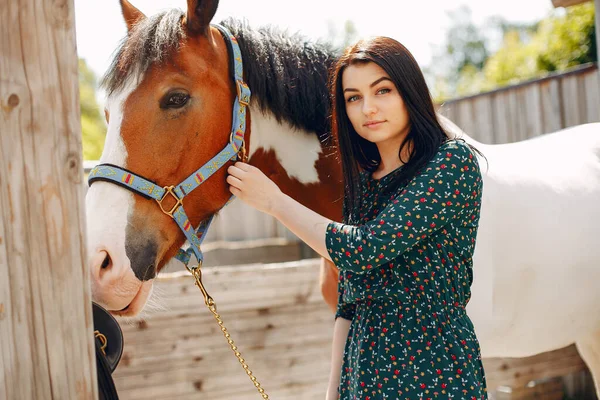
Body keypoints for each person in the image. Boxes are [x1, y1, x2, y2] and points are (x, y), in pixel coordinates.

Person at [227, 36, 487, 400]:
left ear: (409, 90)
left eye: (382, 91)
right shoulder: (364, 183)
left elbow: (364, 249)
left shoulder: (451, 163)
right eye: (353, 97)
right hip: (363, 381)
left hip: (434, 375)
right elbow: (348, 304)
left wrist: (275, 202)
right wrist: (333, 393)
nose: (368, 108)